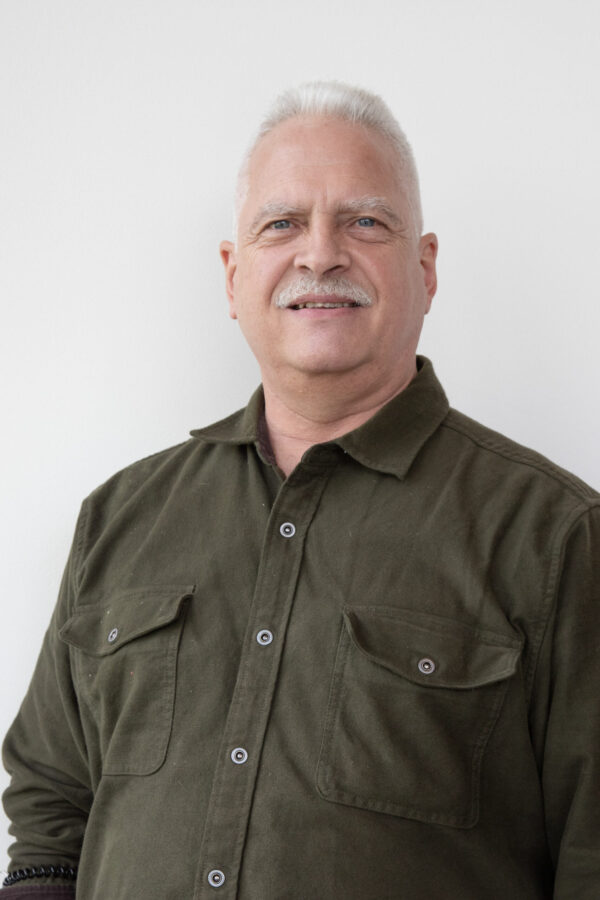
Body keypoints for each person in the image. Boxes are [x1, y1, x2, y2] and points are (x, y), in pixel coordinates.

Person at [2, 81, 599, 900]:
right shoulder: (120, 518)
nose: (320, 254)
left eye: (365, 222)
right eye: (281, 224)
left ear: (425, 269)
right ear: (232, 274)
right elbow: (50, 813)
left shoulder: (557, 537)